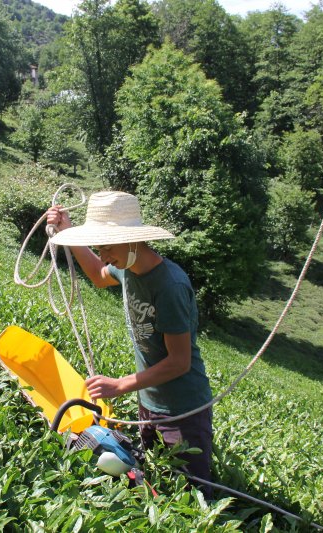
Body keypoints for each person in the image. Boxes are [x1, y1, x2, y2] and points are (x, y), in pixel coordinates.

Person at [47, 190, 214, 494]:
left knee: (192, 494)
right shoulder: (126, 268)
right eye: (100, 247)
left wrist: (119, 385)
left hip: (183, 408)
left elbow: (179, 362)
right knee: (152, 479)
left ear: (132, 239)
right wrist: (67, 230)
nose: (104, 255)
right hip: (148, 401)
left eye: (108, 247)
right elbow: (98, 274)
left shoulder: (170, 285)